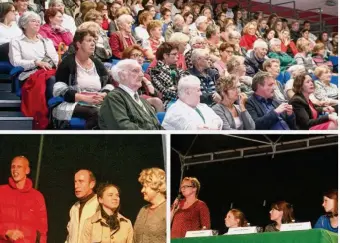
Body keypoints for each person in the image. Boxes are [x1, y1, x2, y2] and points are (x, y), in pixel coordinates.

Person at [53, 28, 113, 130]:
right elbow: (59, 88)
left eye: (94, 41)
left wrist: (103, 94)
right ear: (78, 44)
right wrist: (84, 98)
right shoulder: (67, 62)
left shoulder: (97, 63)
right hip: (72, 103)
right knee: (98, 113)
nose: (93, 43)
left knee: (117, 112)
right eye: (89, 40)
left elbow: (109, 85)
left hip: (97, 101)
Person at [99, 59, 161, 130]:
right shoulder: (114, 98)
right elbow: (123, 127)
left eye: (141, 71)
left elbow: (158, 126)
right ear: (122, 75)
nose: (141, 75)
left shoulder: (144, 102)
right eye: (135, 71)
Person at [9, 11, 58, 100]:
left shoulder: (47, 42)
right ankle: (49, 111)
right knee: (51, 79)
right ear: (24, 24)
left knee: (59, 79)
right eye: (33, 21)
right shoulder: (16, 41)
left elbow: (55, 60)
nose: (37, 23)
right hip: (28, 74)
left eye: (38, 21)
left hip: (48, 71)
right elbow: (15, 62)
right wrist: (36, 63)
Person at [0, 156, 47, 243]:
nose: (15, 170)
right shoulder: (1, 192)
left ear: (27, 170)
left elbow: (42, 231)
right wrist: (6, 232)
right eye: (13, 167)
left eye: (19, 167)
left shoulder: (37, 197)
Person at [122, 45, 164, 112]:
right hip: (129, 101)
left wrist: (147, 82)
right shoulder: (121, 74)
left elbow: (155, 95)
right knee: (156, 102)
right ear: (127, 58)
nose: (140, 58)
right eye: (136, 55)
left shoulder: (146, 76)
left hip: (146, 103)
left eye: (141, 56)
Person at [150, 42, 188, 108]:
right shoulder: (156, 71)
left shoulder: (176, 68)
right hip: (169, 102)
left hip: (184, 99)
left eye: (177, 54)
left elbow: (187, 82)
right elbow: (164, 92)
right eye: (174, 54)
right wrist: (183, 95)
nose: (178, 56)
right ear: (165, 56)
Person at [134, 168, 166, 243]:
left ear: (157, 187)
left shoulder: (167, 209)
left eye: (145, 187)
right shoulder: (143, 210)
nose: (142, 190)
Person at [65, 169, 98, 243]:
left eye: (81, 181)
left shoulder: (99, 205)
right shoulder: (74, 208)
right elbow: (69, 236)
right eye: (75, 182)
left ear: (92, 184)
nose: (76, 186)